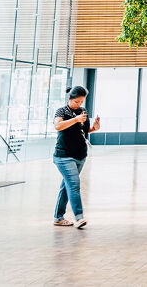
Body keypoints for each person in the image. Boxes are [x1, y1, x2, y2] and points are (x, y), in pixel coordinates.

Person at [52, 85, 100, 229]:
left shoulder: (83, 111)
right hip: (64, 156)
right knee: (73, 185)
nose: (79, 104)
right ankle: (79, 217)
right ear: (70, 98)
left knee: (66, 187)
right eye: (76, 101)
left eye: (81, 102)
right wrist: (76, 119)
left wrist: (93, 129)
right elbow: (58, 126)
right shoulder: (62, 111)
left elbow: (82, 132)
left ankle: (58, 217)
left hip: (80, 155)